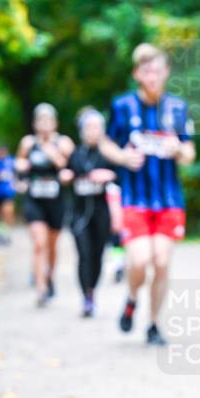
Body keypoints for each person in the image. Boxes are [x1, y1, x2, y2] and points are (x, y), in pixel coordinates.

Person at [99, 43, 196, 346]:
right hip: (134, 198)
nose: (152, 76)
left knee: (162, 262)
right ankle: (131, 298)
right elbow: (105, 143)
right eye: (146, 71)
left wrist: (178, 149)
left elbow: (190, 152)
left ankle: (154, 324)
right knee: (139, 261)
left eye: (157, 70)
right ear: (137, 74)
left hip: (168, 199)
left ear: (166, 72)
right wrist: (122, 157)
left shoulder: (177, 108)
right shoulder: (122, 106)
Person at [16, 103, 75, 307]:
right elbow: (19, 167)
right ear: (34, 123)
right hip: (35, 199)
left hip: (56, 200)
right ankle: (40, 288)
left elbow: (74, 167)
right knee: (39, 244)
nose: (44, 124)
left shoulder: (63, 143)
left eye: (48, 120)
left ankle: (49, 277)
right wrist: (20, 174)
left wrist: (53, 154)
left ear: (55, 123)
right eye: (40, 120)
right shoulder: (27, 143)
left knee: (51, 245)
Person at [66, 107, 117, 318]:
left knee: (97, 255)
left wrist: (109, 176)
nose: (93, 131)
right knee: (84, 254)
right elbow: (67, 172)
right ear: (82, 130)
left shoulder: (110, 154)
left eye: (97, 127)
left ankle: (93, 291)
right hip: (79, 213)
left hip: (102, 212)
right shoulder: (75, 154)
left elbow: (123, 177)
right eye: (89, 127)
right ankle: (86, 297)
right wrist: (67, 176)